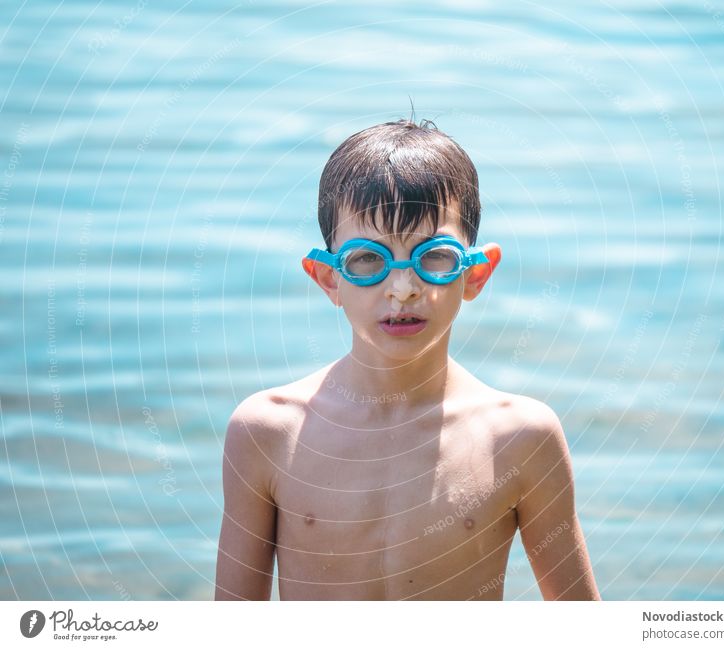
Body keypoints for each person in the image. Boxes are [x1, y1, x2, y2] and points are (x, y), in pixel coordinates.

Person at [214, 118, 601, 600]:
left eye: (433, 257)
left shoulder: (519, 439)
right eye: (367, 260)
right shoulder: (268, 432)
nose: (403, 288)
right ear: (328, 279)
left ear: (476, 274)